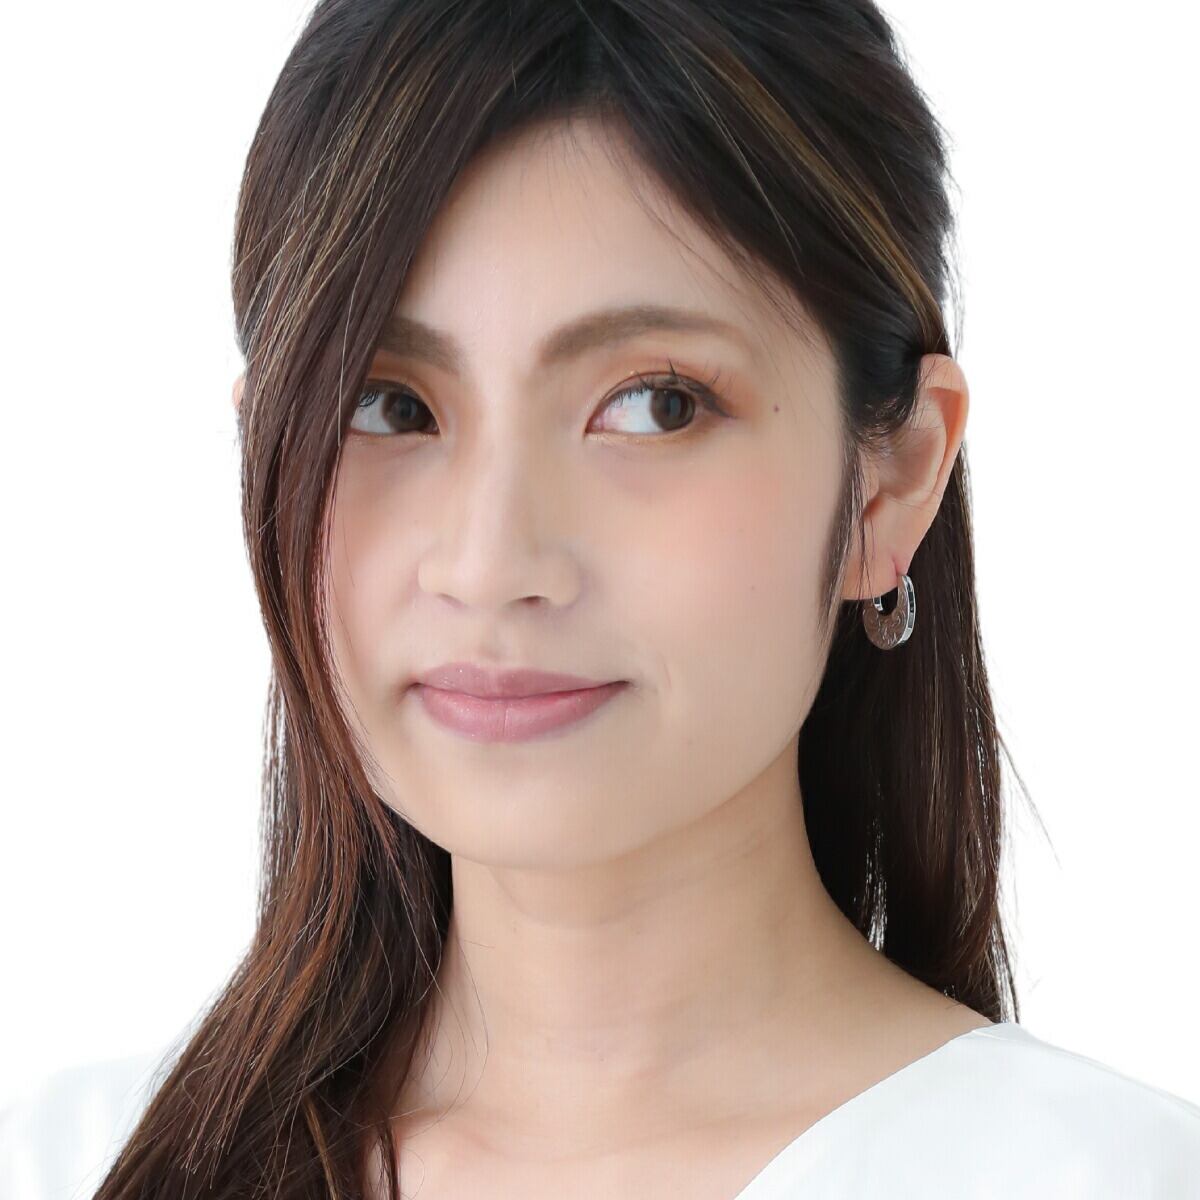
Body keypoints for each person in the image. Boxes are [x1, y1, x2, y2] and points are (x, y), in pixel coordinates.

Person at [30, 1, 1191, 1197]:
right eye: (389, 406)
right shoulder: (65, 1162)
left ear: (891, 483)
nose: (490, 563)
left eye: (656, 405)